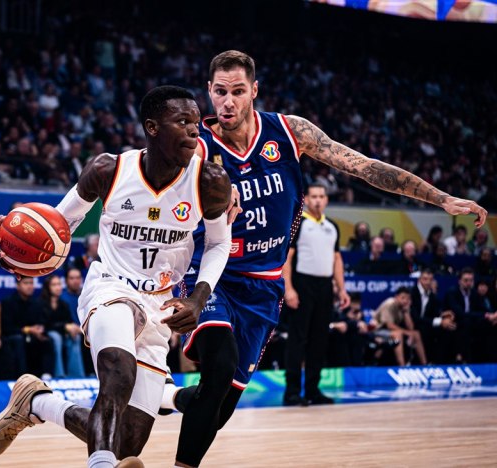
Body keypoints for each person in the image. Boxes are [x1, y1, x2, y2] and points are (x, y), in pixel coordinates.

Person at [159, 50, 486, 468]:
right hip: (211, 273)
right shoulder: (196, 148)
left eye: (238, 91)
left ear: (254, 91)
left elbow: (365, 167)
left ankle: (170, 397)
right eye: (220, 91)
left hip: (265, 284)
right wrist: (206, 196)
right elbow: (158, 197)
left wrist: (441, 199)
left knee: (218, 408)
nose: (228, 102)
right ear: (208, 91)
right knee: (219, 368)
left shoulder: (289, 131)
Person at [0, 86, 232, 468]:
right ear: (152, 127)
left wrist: (198, 298)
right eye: (182, 121)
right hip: (111, 285)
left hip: (160, 303)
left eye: (196, 123)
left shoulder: (210, 181)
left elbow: (218, 243)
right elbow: (60, 223)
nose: (193, 131)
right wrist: (17, 247)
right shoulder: (108, 170)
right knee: (118, 370)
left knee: (128, 440)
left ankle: (37, 402)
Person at [282, 183, 350, 405]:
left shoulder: (332, 226)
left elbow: (337, 259)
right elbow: (287, 258)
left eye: (321, 196)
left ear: (326, 200)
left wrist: (342, 289)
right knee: (297, 339)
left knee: (319, 340)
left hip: (325, 287)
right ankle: (292, 392)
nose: (318, 200)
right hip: (302, 285)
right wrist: (289, 288)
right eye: (314, 196)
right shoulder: (298, 224)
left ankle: (313, 390)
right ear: (307, 200)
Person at [0, 277, 54, 379]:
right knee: (19, 340)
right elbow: (6, 328)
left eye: (31, 283)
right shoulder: (8, 302)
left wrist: (40, 330)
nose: (29, 286)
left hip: (33, 336)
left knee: (47, 339)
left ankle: (46, 375)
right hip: (14, 335)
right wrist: (28, 330)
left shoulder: (37, 303)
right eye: (26, 283)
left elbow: (43, 322)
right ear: (18, 286)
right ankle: (23, 377)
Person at [40, 274, 84, 378]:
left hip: (62, 332)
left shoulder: (64, 304)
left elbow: (68, 321)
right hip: (47, 333)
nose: (58, 287)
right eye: (54, 285)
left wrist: (74, 328)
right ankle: (59, 374)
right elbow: (44, 325)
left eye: (59, 284)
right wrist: (64, 326)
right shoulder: (41, 303)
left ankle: (76, 375)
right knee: (56, 337)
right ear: (47, 287)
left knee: (75, 337)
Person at [409, 269, 456, 363]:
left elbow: (434, 313)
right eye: (425, 279)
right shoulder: (411, 293)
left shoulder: (432, 296)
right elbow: (415, 318)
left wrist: (443, 316)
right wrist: (440, 321)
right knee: (426, 330)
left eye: (430, 280)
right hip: (412, 325)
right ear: (419, 280)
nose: (427, 282)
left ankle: (440, 363)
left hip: (426, 324)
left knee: (448, 328)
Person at [372, 287, 427, 366]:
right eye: (403, 298)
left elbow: (411, 328)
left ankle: (424, 365)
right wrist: (407, 333)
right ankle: (402, 365)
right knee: (398, 334)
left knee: (416, 334)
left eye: (407, 298)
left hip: (390, 331)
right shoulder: (389, 304)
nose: (405, 301)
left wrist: (406, 312)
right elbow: (389, 325)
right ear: (396, 297)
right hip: (377, 331)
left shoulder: (404, 307)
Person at [59, 267, 87, 377]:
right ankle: (77, 376)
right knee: (75, 337)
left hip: (86, 329)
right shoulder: (61, 298)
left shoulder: (87, 296)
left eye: (78, 278)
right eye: (72, 278)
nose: (75, 281)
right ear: (66, 280)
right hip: (71, 331)